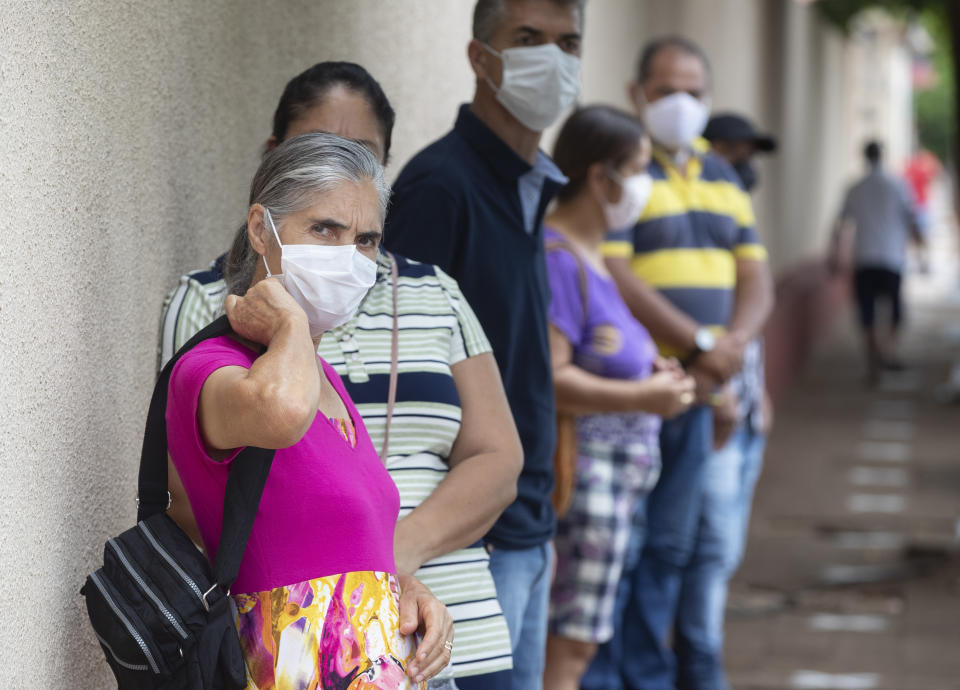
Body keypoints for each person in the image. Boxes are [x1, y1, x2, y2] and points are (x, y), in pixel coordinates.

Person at [160, 62, 521, 689]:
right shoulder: (212, 367)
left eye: (366, 240)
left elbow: (338, 538)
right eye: (324, 229)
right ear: (261, 229)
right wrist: (290, 323)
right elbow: (277, 414)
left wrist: (402, 588)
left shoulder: (325, 383)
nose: (349, 258)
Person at [383, 2, 584, 687]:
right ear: (479, 57)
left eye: (568, 42)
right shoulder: (440, 188)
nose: (552, 58)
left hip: (527, 526)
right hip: (472, 543)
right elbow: (398, 377)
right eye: (527, 39)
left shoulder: (533, 183)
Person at [583, 36, 774, 690]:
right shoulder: (623, 173)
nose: (681, 103)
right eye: (666, 90)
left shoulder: (724, 177)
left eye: (694, 91)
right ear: (638, 95)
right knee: (621, 546)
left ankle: (649, 675)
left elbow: (758, 279)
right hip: (640, 387)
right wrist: (698, 345)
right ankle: (607, 675)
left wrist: (728, 353)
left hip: (701, 391)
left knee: (670, 545)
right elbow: (612, 270)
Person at [539, 105, 697, 690]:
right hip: (586, 486)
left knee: (580, 643)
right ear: (600, 177)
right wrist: (642, 396)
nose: (643, 186)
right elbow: (551, 379)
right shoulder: (559, 258)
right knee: (570, 647)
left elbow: (604, 353)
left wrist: (653, 373)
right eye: (637, 169)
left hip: (615, 487)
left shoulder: (593, 257)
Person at [665, 112, 779, 690]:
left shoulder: (735, 222)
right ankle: (699, 665)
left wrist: (755, 394)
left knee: (721, 547)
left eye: (749, 153)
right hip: (712, 410)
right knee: (704, 547)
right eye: (733, 151)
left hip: (747, 412)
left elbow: (752, 314)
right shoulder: (685, 220)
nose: (743, 164)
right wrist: (724, 392)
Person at [832, 140, 925, 382]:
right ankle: (889, 351)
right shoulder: (898, 185)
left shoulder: (855, 187)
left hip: (865, 257)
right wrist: (921, 252)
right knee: (895, 311)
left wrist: (835, 253)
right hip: (892, 257)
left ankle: (874, 359)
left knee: (868, 311)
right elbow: (912, 218)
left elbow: (841, 224)